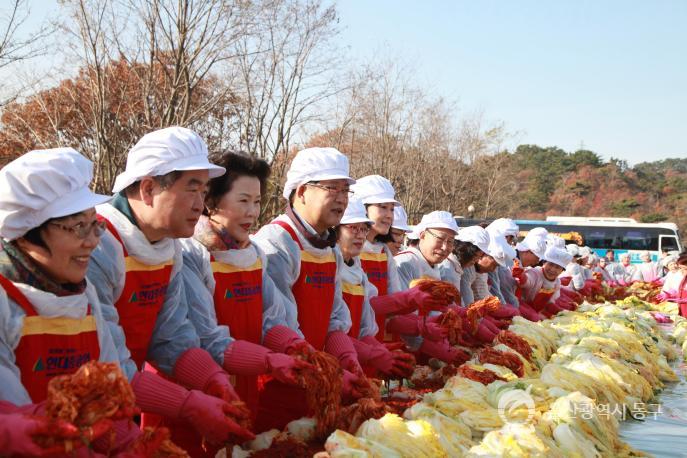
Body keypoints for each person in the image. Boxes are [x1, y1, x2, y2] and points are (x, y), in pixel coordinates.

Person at [88, 127, 254, 446]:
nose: (200, 204)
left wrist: (212, 378)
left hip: (119, 409)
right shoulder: (98, 245)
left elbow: (172, 334)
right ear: (149, 188)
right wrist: (187, 404)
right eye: (192, 189)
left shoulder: (169, 246)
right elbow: (104, 363)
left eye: (204, 191)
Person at [0, 148, 137, 453]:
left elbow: (107, 390)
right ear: (25, 235)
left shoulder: (82, 291)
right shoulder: (5, 302)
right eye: (78, 227)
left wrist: (129, 442)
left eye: (94, 223)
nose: (92, 241)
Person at [178, 151, 311, 451]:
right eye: (243, 201)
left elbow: (271, 319)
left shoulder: (254, 254)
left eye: (258, 201)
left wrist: (295, 348)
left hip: (244, 392)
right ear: (212, 201)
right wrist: (267, 360)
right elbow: (203, 338)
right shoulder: (191, 255)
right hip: (197, 401)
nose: (252, 212)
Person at [252, 147, 367, 430]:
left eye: (345, 191)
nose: (341, 198)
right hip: (278, 388)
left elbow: (334, 316)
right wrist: (329, 373)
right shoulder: (278, 241)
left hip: (316, 385)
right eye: (333, 189)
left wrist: (346, 358)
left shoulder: (330, 248)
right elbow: (277, 324)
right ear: (302, 191)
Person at [336, 197, 415, 378]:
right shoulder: (330, 263)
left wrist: (378, 351)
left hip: (358, 360)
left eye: (363, 229)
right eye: (353, 228)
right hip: (332, 368)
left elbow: (366, 324)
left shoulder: (359, 266)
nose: (360, 235)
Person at [394, 211, 471, 363]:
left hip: (424, 350)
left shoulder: (434, 266)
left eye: (450, 242)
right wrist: (438, 350)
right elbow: (398, 318)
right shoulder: (405, 263)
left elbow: (438, 309)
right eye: (440, 239)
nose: (445, 247)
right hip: (401, 350)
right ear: (422, 235)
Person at [512, 246, 573, 320]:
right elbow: (527, 281)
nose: (552, 269)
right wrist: (521, 276)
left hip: (535, 310)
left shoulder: (557, 282)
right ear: (543, 263)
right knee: (535, 318)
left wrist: (560, 312)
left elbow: (549, 302)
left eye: (557, 267)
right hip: (519, 304)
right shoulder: (535, 273)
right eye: (550, 264)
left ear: (562, 271)